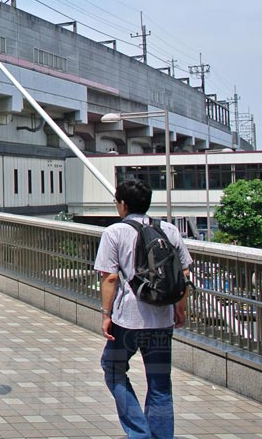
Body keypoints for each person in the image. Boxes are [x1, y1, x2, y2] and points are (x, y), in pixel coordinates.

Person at [95, 179, 192, 439]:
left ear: (123, 204)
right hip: (162, 318)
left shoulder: (114, 233)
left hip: (128, 320)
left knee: (113, 368)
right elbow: (184, 274)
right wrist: (179, 308)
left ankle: (139, 432)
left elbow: (110, 278)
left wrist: (106, 315)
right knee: (160, 384)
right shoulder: (169, 230)